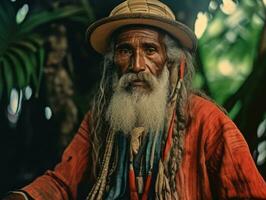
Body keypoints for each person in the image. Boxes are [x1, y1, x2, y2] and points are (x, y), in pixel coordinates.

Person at [4, 0, 266, 199]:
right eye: (125, 51)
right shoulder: (101, 119)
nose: (137, 64)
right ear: (113, 63)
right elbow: (63, 181)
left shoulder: (208, 121)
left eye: (150, 50)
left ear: (171, 61)